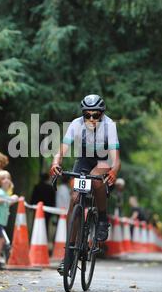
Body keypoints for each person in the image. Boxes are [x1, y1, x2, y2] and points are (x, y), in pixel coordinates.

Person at [50, 95, 121, 274]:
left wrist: (113, 172)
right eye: (87, 115)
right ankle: (69, 253)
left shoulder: (109, 126)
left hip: (103, 161)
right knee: (74, 198)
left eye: (95, 115)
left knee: (96, 183)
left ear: (102, 115)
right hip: (83, 160)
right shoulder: (76, 124)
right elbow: (62, 150)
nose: (91, 119)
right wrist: (56, 163)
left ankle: (103, 219)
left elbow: (116, 159)